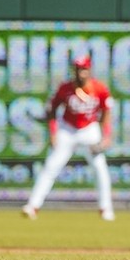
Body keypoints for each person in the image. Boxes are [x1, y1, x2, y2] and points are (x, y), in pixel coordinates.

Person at [22, 55, 115, 221]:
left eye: (84, 69)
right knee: (51, 166)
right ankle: (33, 206)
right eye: (78, 69)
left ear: (89, 69)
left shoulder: (99, 89)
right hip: (67, 129)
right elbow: (51, 112)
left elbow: (106, 112)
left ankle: (105, 208)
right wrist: (53, 133)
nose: (81, 72)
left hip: (89, 129)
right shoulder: (65, 88)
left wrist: (106, 136)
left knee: (100, 169)